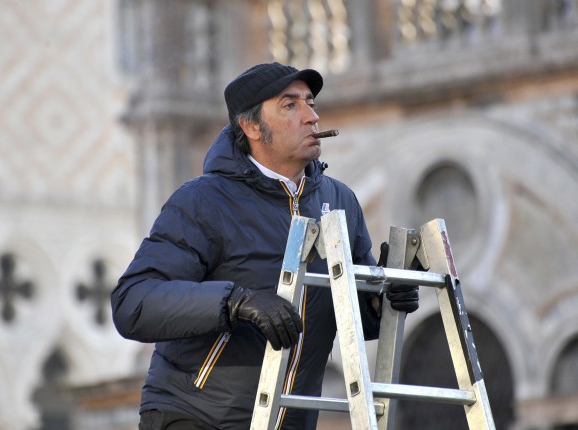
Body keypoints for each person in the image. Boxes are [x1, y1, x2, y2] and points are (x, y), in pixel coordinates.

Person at [111, 62, 419, 430]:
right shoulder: (203, 201)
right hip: (196, 416)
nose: (312, 116)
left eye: (310, 103)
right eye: (290, 105)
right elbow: (133, 303)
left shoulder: (340, 201)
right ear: (252, 126)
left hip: (290, 421)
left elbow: (354, 318)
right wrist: (235, 302)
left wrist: (384, 299)